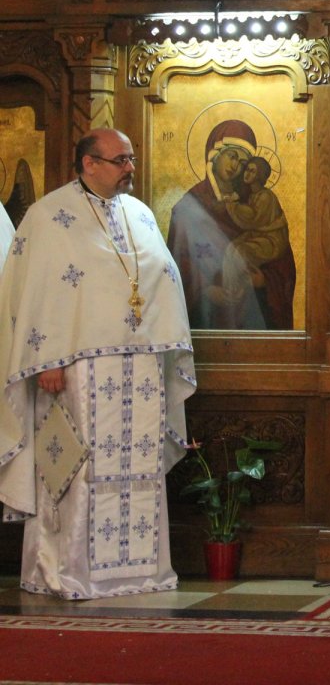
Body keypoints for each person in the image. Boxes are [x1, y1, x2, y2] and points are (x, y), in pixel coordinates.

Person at [0, 128, 196, 599]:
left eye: (131, 159)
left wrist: (162, 345)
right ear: (89, 163)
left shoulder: (139, 214)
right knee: (75, 469)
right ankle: (68, 571)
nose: (130, 168)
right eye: (120, 160)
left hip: (139, 371)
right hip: (75, 371)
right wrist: (44, 361)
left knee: (139, 472)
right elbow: (36, 293)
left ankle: (138, 572)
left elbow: (162, 280)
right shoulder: (49, 216)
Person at [166, 120, 297, 330]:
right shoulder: (189, 207)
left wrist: (263, 280)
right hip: (205, 322)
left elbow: (281, 258)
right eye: (232, 156)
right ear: (215, 153)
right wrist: (206, 291)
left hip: (254, 318)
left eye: (243, 163)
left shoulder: (255, 202)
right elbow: (175, 266)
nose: (236, 166)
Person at [219, 155, 290, 310]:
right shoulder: (254, 195)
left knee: (241, 252)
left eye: (252, 171)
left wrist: (232, 204)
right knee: (231, 248)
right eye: (247, 169)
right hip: (259, 235)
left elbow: (252, 219)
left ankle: (237, 291)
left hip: (272, 240)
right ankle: (229, 290)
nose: (247, 173)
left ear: (260, 175)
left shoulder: (266, 196)